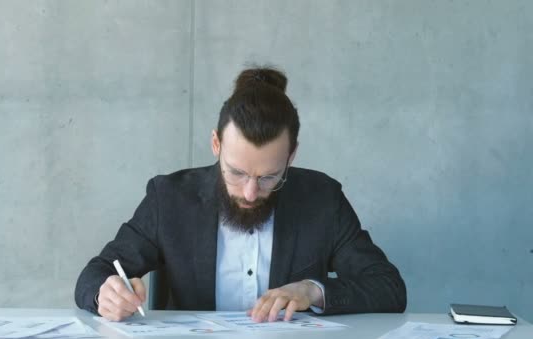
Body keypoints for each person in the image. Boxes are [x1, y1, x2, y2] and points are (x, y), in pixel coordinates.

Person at [75, 67, 406, 323]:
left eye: (268, 177)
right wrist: (105, 294)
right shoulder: (170, 198)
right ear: (216, 145)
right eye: (236, 173)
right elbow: (95, 273)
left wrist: (313, 291)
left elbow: (388, 287)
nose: (250, 192)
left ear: (291, 157)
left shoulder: (322, 199)